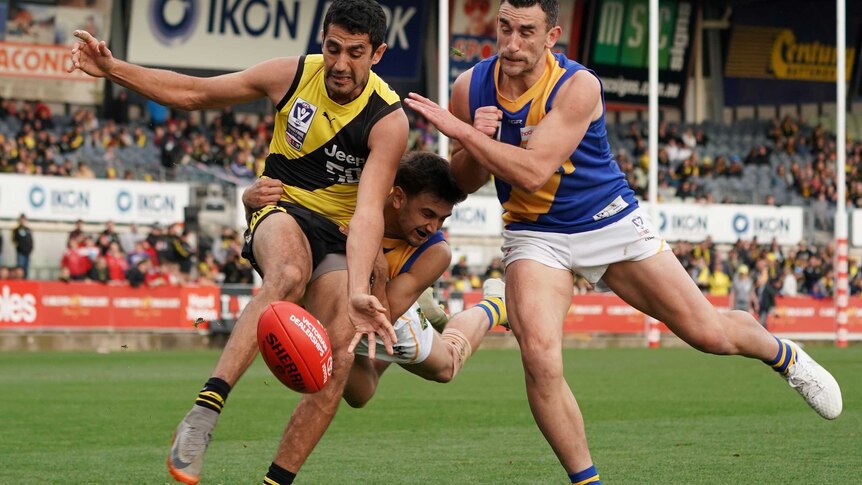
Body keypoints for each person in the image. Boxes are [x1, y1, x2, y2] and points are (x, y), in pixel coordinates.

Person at [403, 1, 843, 483]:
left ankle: (784, 356)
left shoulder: (579, 85)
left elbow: (531, 171)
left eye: (526, 32)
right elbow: (464, 180)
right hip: (535, 235)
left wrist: (463, 132)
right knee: (540, 359)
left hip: (607, 221)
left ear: (551, 36)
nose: (511, 43)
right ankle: (587, 481)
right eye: (504, 28)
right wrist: (471, 144)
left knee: (707, 333)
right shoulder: (470, 86)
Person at [69, 2, 408, 484]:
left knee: (340, 361)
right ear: (322, 41)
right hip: (280, 209)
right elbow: (192, 93)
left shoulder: (387, 120)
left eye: (355, 53)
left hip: (339, 237)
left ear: (378, 53)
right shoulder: (290, 76)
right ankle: (204, 414)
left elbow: (369, 211)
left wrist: (358, 289)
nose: (340, 64)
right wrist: (111, 68)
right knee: (287, 273)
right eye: (333, 48)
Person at [244, 151, 508, 409]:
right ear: (399, 198)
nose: (434, 228)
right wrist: (250, 204)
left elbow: (381, 322)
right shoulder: (352, 198)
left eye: (442, 219)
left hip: (384, 311)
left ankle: (494, 303)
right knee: (360, 395)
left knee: (447, 365)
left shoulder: (436, 252)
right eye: (428, 214)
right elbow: (272, 246)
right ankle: (426, 306)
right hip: (349, 303)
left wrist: (377, 267)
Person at [12, 213, 33, 279]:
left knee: (26, 269)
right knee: (20, 269)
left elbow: (30, 240)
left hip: (27, 253)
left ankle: (25, 282)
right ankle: (19, 282)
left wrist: (30, 248)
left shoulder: (28, 229)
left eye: (24, 219)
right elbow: (14, 240)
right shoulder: (16, 230)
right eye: (22, 219)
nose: (23, 221)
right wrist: (20, 247)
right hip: (21, 252)